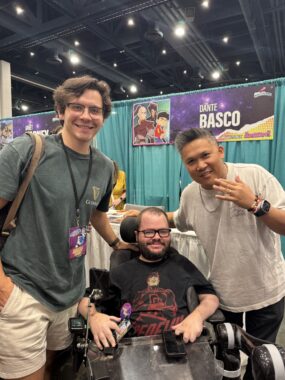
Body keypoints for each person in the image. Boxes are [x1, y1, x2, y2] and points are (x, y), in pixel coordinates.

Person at [0, 75, 135, 380]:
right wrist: (3, 287)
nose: (87, 116)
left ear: (103, 118)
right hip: (24, 289)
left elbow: (96, 215)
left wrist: (117, 244)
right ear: (60, 110)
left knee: (54, 370)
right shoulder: (28, 150)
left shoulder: (104, 166)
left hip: (69, 295)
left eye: (95, 110)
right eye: (77, 106)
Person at [170, 128, 285, 380]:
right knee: (226, 360)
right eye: (191, 161)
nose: (200, 165)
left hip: (266, 291)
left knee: (261, 363)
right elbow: (177, 220)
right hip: (224, 293)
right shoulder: (190, 194)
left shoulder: (253, 175)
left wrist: (255, 203)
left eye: (205, 155)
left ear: (220, 151)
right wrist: (145, 220)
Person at [78, 207, 219, 350]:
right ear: (137, 235)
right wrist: (94, 317)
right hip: (133, 352)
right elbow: (85, 300)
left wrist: (197, 317)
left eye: (163, 231)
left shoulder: (181, 265)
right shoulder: (121, 271)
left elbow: (210, 298)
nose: (157, 237)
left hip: (180, 347)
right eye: (149, 232)